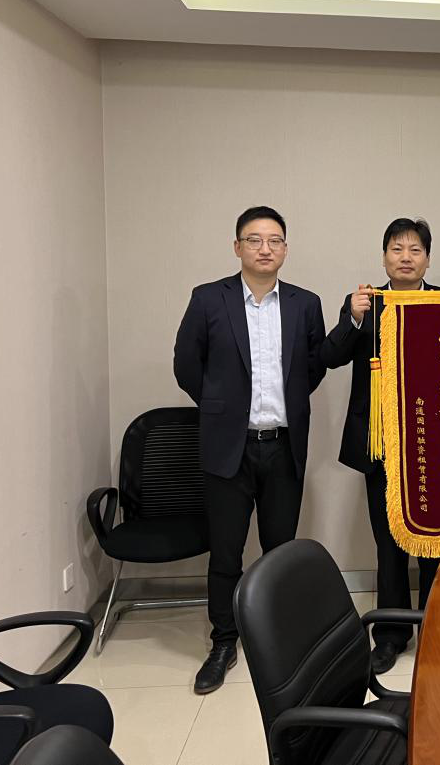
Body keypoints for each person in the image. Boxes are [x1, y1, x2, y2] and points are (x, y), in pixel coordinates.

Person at [173, 206, 326, 694]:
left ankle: (278, 638)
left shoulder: (305, 303)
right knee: (226, 552)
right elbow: (186, 364)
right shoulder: (208, 299)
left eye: (274, 240)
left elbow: (313, 368)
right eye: (255, 240)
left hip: (282, 447)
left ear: (285, 249)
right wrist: (220, 407)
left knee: (280, 551)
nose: (265, 248)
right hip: (228, 448)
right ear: (237, 246)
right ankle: (223, 641)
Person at [320, 218, 440, 675]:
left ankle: (435, 627)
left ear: (427, 259)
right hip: (381, 445)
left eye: (415, 250)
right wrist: (353, 319)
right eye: (397, 249)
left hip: (434, 446)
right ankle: (391, 635)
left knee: (435, 542)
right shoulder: (364, 302)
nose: (406, 257)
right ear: (384, 257)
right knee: (389, 543)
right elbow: (329, 356)